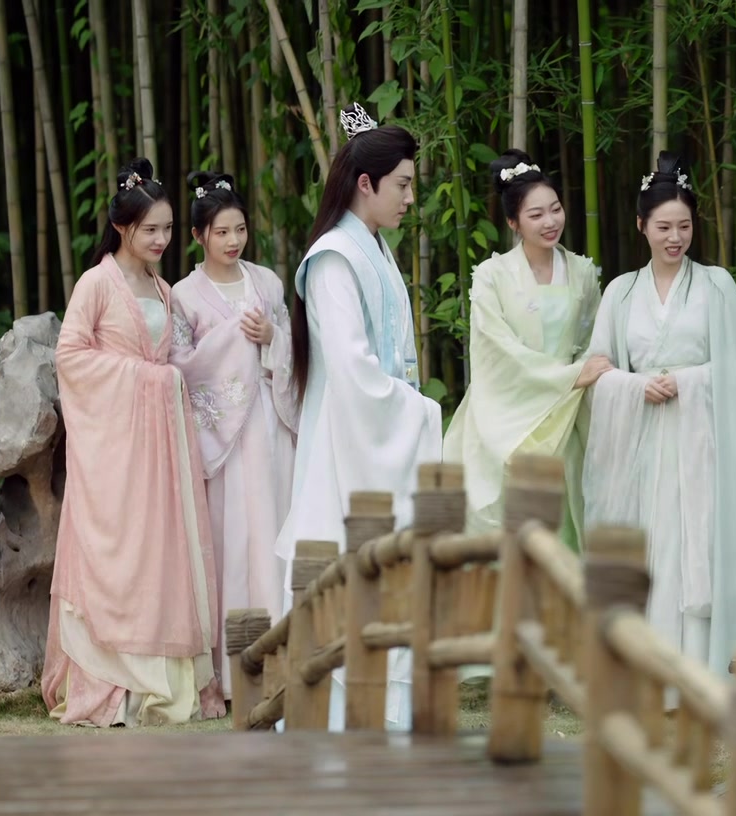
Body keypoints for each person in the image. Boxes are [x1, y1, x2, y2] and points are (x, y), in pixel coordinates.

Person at [581, 151, 736, 683]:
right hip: (643, 441)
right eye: (664, 227)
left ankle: (704, 672)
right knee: (651, 547)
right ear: (641, 225)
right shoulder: (620, 292)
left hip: (702, 442)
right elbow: (598, 369)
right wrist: (636, 385)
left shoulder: (717, 286)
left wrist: (686, 381)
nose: (675, 237)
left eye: (685, 226)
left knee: (700, 546)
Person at [43, 158, 226, 727]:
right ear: (122, 227)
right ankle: (109, 682)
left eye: (167, 229)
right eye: (150, 229)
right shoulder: (96, 283)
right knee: (114, 551)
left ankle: (159, 681)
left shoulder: (163, 289)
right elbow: (70, 356)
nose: (161, 239)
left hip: (159, 446)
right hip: (112, 444)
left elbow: (174, 362)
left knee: (156, 552)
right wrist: (146, 378)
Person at [277, 104, 440, 732]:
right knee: (352, 569)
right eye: (403, 185)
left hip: (374, 436)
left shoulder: (371, 247)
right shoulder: (334, 258)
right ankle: (347, 716)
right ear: (366, 184)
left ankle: (389, 713)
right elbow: (352, 370)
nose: (409, 198)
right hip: (347, 443)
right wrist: (419, 410)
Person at [443, 149, 608, 546]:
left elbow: (595, 342)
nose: (550, 222)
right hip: (509, 411)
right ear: (513, 222)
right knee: (508, 528)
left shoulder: (583, 272)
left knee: (569, 518)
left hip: (569, 411)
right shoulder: (491, 276)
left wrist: (580, 375)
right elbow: (495, 351)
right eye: (536, 215)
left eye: (555, 209)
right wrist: (570, 376)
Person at [169, 171, 297, 676]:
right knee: (232, 540)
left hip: (269, 422)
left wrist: (271, 338)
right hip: (222, 434)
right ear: (198, 235)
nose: (232, 240)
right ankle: (234, 668)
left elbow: (294, 346)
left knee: (274, 529)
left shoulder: (266, 281)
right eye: (221, 232)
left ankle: (281, 657)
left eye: (239, 229)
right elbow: (181, 365)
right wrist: (234, 341)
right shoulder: (183, 295)